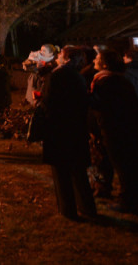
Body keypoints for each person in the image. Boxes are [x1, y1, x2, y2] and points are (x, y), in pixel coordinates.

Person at [37, 46, 98, 221]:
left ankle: (67, 209)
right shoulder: (79, 77)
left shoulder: (56, 76)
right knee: (78, 172)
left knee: (61, 173)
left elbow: (48, 103)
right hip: (76, 128)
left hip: (58, 129)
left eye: (59, 56)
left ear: (66, 58)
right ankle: (87, 207)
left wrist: (42, 107)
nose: (57, 58)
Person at [89, 49, 138, 214]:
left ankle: (128, 201)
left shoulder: (106, 82)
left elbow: (99, 104)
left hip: (115, 130)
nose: (94, 60)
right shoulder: (120, 80)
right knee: (132, 165)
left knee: (124, 167)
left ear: (105, 63)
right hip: (127, 129)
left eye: (97, 58)